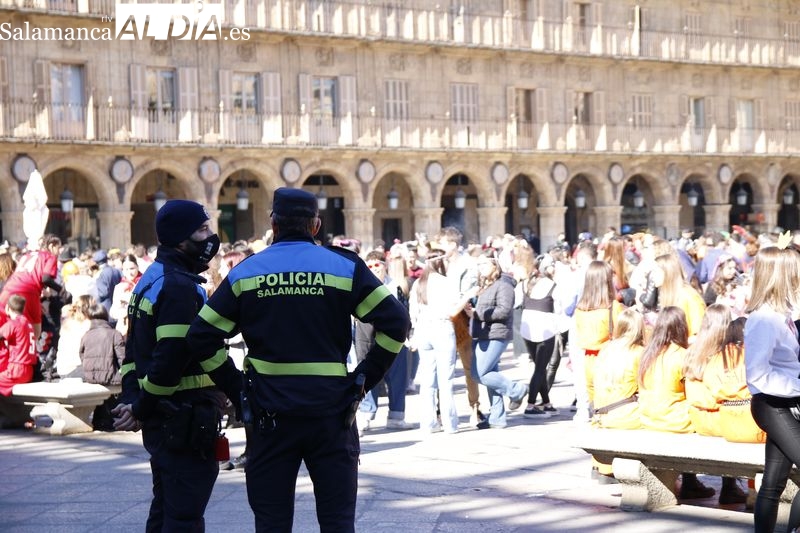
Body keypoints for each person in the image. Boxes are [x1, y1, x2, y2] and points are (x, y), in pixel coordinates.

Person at [185, 188, 410, 532]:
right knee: (337, 522)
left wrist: (237, 387)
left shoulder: (248, 272)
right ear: (316, 226)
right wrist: (365, 377)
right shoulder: (343, 266)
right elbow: (396, 323)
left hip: (268, 414)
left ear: (273, 224)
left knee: (272, 522)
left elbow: (201, 336)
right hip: (332, 412)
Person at [112, 199, 242, 532]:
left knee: (166, 507)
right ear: (179, 238)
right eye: (201, 230)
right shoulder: (179, 287)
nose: (210, 237)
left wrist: (134, 400)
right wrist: (140, 407)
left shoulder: (151, 279)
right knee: (184, 515)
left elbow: (133, 352)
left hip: (165, 418)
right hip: (182, 418)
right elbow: (170, 360)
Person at [744, 246, 800, 533]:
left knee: (773, 482)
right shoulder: (764, 320)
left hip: (784, 402)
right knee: (772, 484)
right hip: (771, 404)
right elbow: (756, 376)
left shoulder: (782, 314)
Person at [637, 305, 714, 500]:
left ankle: (691, 481)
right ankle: (693, 482)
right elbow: (696, 392)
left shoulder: (647, 354)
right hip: (673, 420)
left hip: (648, 417)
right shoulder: (681, 355)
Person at [467, 249, 527, 429]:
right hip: (483, 333)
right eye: (479, 264)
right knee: (490, 374)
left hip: (496, 333)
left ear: (495, 265)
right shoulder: (487, 284)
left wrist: (477, 314)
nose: (481, 267)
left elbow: (504, 310)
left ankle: (516, 390)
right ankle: (497, 417)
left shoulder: (504, 284)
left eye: (484, 264)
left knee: (480, 373)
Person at [355, 250, 414, 434]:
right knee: (365, 375)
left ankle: (396, 416)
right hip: (366, 336)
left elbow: (405, 311)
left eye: (377, 265)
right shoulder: (360, 285)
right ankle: (366, 414)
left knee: (397, 377)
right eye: (370, 266)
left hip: (393, 337)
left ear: (385, 266)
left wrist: (409, 334)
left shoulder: (396, 286)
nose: (374, 270)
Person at [409, 248, 466, 434]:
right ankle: (450, 424)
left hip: (424, 329)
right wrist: (468, 297)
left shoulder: (418, 283)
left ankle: (427, 423)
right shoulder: (446, 282)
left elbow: (413, 314)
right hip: (442, 328)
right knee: (446, 380)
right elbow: (452, 310)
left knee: (427, 382)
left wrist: (414, 336)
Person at [437, 227, 484, 425]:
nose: (439, 248)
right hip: (442, 318)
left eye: (443, 244)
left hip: (462, 319)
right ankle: (441, 411)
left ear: (453, 245)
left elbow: (470, 292)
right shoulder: (438, 263)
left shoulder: (468, 264)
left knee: (468, 367)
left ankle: (475, 407)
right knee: (442, 367)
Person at [0, 234, 62, 338]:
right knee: (35, 335)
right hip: (28, 291)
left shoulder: (26, 255)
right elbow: (46, 278)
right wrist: (62, 290)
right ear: (51, 246)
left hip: (8, 289)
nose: (60, 251)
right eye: (58, 248)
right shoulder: (50, 256)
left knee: (3, 324)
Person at [79, 302, 125, 431]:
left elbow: (81, 356)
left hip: (91, 378)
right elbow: (123, 359)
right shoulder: (115, 333)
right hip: (111, 378)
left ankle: (100, 419)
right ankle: (109, 419)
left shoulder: (86, 335)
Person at [0, 295, 36, 396]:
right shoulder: (28, 323)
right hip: (28, 371)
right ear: (23, 308)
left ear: (7, 307)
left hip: (16, 370)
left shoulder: (14, 323)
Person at [109, 254, 141, 337]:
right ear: (122, 270)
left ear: (137, 267)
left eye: (132, 268)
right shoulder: (119, 287)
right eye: (126, 269)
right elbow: (113, 312)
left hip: (141, 326)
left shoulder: (144, 284)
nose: (129, 272)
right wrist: (124, 312)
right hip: (124, 328)